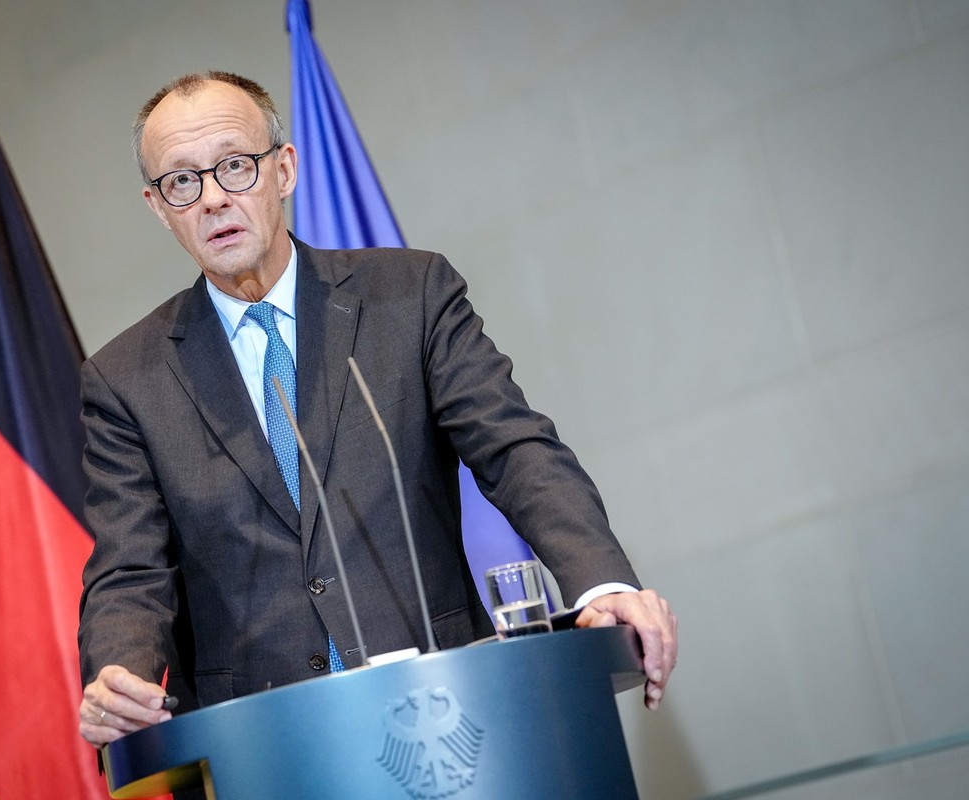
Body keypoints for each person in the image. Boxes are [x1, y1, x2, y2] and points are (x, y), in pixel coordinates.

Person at [77, 71, 677, 749]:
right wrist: (117, 673)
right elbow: (130, 567)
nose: (213, 198)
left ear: (285, 169)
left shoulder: (408, 295)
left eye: (235, 167)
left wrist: (599, 583)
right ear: (159, 207)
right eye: (183, 182)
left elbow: (515, 451)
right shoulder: (126, 378)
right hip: (271, 750)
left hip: (452, 712)